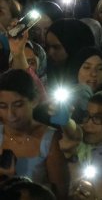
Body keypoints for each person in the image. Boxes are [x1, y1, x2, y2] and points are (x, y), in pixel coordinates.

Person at [0, 68, 69, 198]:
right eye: (3, 106)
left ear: (34, 100)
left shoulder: (50, 140)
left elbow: (60, 194)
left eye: (18, 105)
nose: (10, 114)